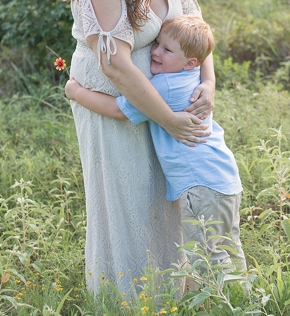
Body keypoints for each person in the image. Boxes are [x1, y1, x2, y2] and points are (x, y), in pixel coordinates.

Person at [62, 0, 214, 296]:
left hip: (162, 106)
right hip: (112, 105)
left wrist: (208, 86)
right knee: (126, 200)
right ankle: (126, 303)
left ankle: (172, 292)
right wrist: (167, 117)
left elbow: (198, 32)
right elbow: (116, 66)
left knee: (163, 195)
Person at [65, 14, 247, 274]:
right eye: (157, 43)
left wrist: (76, 92)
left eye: (167, 49)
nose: (156, 52)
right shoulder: (192, 76)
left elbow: (118, 110)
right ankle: (246, 302)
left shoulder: (165, 86)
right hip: (224, 179)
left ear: (190, 62)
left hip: (201, 186)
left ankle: (219, 310)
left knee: (207, 256)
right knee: (229, 247)